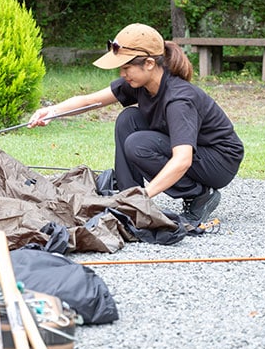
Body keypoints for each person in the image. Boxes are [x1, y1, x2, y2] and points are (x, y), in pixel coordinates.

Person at [28, 23, 244, 226]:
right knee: (128, 119)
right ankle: (127, 196)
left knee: (139, 143)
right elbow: (90, 101)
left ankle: (199, 196)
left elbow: (183, 160)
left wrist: (145, 195)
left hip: (219, 160)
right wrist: (51, 112)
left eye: (126, 67)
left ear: (149, 63)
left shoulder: (179, 99)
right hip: (197, 153)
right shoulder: (141, 83)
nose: (122, 74)